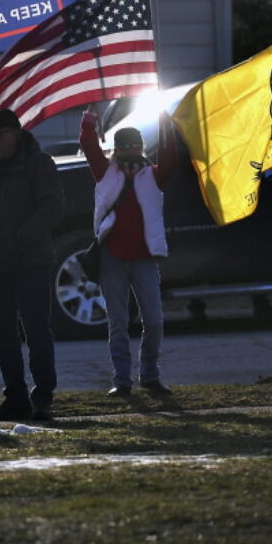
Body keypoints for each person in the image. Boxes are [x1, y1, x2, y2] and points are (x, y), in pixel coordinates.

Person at [0, 108, 64, 421]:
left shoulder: (39, 164)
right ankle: (15, 396)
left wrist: (22, 237)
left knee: (36, 329)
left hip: (30, 262)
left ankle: (43, 397)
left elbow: (52, 208)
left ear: (15, 133)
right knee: (1, 331)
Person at [79, 110, 177, 397]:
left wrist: (164, 124)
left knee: (155, 320)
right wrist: (89, 120)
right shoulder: (104, 172)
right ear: (116, 151)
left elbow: (171, 155)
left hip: (145, 258)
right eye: (124, 148)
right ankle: (122, 380)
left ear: (141, 148)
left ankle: (150, 376)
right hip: (112, 256)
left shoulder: (154, 175)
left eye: (135, 147)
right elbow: (89, 146)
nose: (130, 153)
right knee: (118, 322)